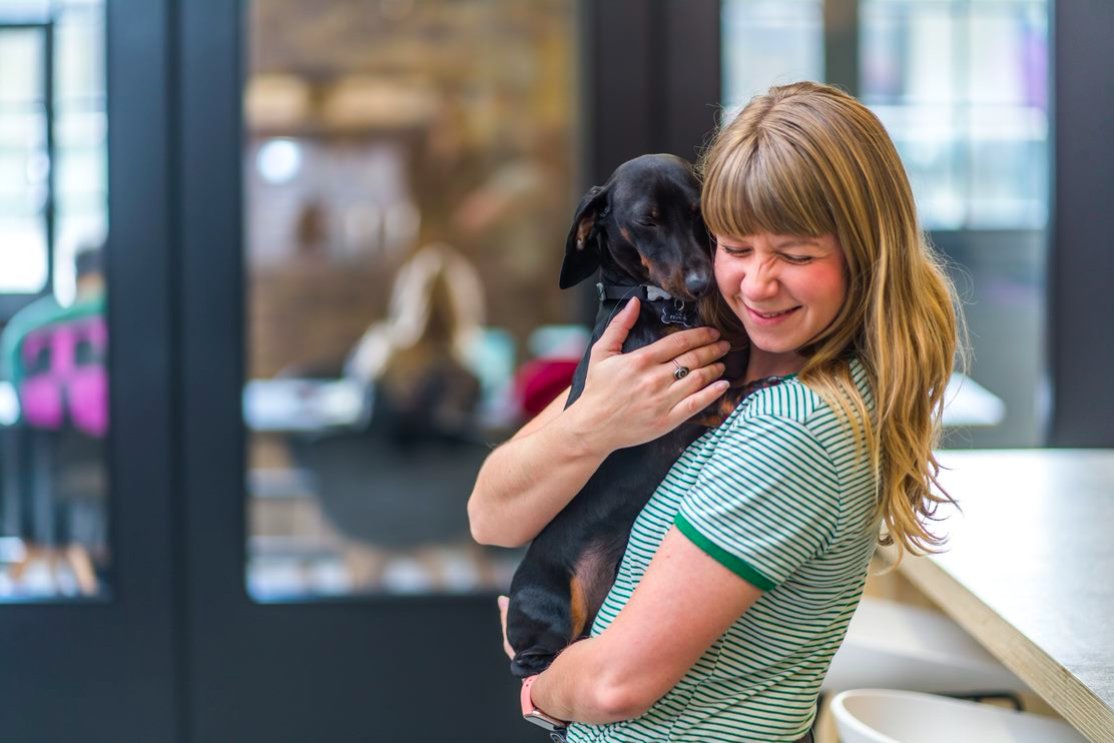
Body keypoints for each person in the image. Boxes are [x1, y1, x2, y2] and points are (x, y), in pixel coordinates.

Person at [467, 81, 961, 743]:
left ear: (865, 256)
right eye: (733, 245)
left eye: (796, 253)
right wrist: (594, 422)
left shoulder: (796, 426)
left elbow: (615, 684)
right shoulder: (687, 350)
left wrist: (540, 686)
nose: (756, 283)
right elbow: (491, 514)